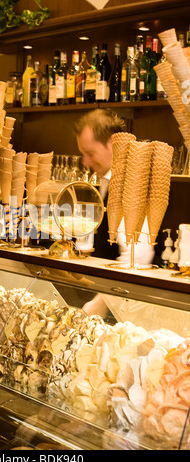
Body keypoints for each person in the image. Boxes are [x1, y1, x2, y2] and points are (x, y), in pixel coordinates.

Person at [74, 109, 155, 316]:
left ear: (112, 143)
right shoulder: (108, 180)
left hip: (125, 313)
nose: (85, 162)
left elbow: (138, 259)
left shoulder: (132, 183)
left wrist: (96, 307)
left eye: (90, 153)